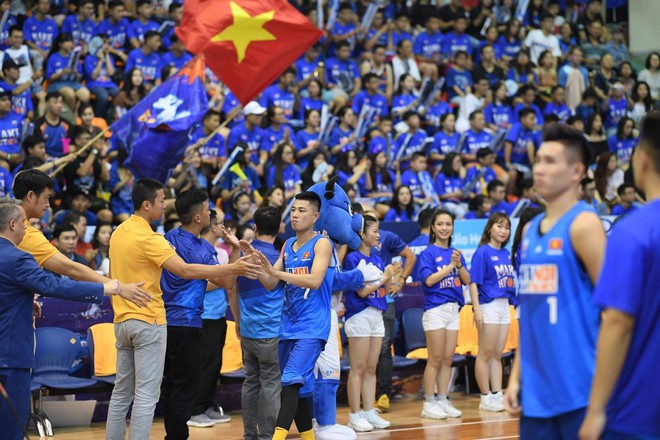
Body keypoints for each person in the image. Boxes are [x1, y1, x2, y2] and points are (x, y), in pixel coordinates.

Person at [105, 179, 262, 440]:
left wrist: (232, 257)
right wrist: (234, 264)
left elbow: (210, 278)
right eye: (160, 200)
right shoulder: (162, 241)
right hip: (165, 321)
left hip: (126, 319)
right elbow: (197, 274)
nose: (164, 206)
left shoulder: (131, 233)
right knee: (159, 393)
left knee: (126, 393)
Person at [504, 124, 606, 439]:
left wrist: (604, 399)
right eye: (538, 161)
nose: (539, 169)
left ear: (577, 171)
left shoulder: (585, 224)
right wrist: (516, 377)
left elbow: (613, 313)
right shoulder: (531, 230)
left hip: (580, 390)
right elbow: (532, 316)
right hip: (535, 393)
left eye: (550, 161)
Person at [0, 198, 123, 440]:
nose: (27, 227)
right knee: (11, 428)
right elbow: (54, 284)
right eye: (24, 222)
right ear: (13, 224)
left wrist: (23, 301)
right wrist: (103, 289)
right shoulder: (18, 257)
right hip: (11, 355)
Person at [579, 111, 660, 440]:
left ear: (641, 160)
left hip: (641, 408)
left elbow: (618, 322)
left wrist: (596, 408)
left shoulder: (634, 230)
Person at [159, 188, 245, 436]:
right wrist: (235, 252)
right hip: (187, 323)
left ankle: (173, 434)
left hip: (163, 321)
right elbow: (228, 283)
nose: (210, 213)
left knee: (172, 385)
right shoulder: (203, 251)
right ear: (198, 217)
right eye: (207, 209)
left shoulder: (167, 238)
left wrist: (233, 253)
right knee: (185, 386)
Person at [253, 192, 336, 440]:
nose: (296, 215)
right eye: (293, 210)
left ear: (315, 216)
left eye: (301, 210)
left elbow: (315, 279)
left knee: (289, 381)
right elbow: (269, 283)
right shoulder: (288, 245)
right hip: (288, 325)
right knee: (298, 389)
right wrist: (255, 265)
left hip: (312, 326)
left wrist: (279, 273)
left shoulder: (322, 244)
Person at [13, 169, 149, 303]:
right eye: (46, 198)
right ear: (30, 196)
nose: (48, 204)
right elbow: (70, 269)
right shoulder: (26, 232)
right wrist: (116, 287)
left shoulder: (11, 221)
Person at [228, 206, 284, 440]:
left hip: (249, 331)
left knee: (251, 382)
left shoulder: (243, 257)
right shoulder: (282, 257)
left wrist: (238, 322)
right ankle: (267, 436)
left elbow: (231, 290)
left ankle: (250, 434)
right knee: (270, 384)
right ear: (280, 227)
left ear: (255, 227)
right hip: (272, 332)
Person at [343, 215, 399, 432]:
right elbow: (362, 291)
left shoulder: (377, 258)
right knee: (357, 368)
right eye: (374, 231)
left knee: (371, 368)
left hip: (377, 314)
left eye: (378, 231)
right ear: (361, 234)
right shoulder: (353, 259)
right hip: (359, 314)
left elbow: (381, 287)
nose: (378, 235)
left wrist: (393, 278)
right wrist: (385, 278)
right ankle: (354, 414)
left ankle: (368, 410)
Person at [418, 209, 470, 420]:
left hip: (453, 309)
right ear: (433, 227)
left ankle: (443, 398)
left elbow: (467, 279)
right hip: (435, 310)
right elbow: (429, 280)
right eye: (440, 224)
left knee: (448, 359)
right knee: (436, 358)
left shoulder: (457, 253)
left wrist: (458, 265)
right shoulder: (428, 253)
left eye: (448, 224)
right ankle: (429, 402)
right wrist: (450, 266)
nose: (444, 228)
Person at [469, 212, 515, 412]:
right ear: (489, 228)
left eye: (506, 227)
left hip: (504, 305)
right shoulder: (482, 252)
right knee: (485, 353)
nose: (503, 231)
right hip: (488, 305)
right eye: (499, 226)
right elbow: (473, 283)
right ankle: (485, 396)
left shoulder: (506, 253)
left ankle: (497, 393)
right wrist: (476, 310)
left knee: (498, 354)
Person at [192, 210, 232, 427]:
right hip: (203, 315)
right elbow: (198, 284)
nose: (223, 227)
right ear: (213, 226)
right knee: (204, 364)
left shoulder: (218, 252)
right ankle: (195, 409)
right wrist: (225, 279)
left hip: (218, 314)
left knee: (214, 364)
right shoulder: (198, 250)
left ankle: (207, 405)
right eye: (220, 223)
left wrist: (224, 278)